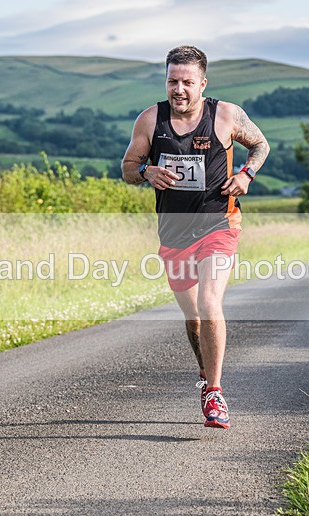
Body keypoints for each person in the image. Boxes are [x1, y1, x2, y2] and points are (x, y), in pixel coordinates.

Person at [121, 45, 269, 429]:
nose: (179, 89)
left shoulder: (225, 115)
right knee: (193, 319)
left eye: (188, 82)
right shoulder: (151, 120)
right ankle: (205, 376)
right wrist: (147, 172)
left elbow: (260, 144)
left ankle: (216, 392)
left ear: (203, 83)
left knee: (208, 303)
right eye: (173, 81)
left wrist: (246, 176)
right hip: (174, 233)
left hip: (219, 224)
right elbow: (128, 166)